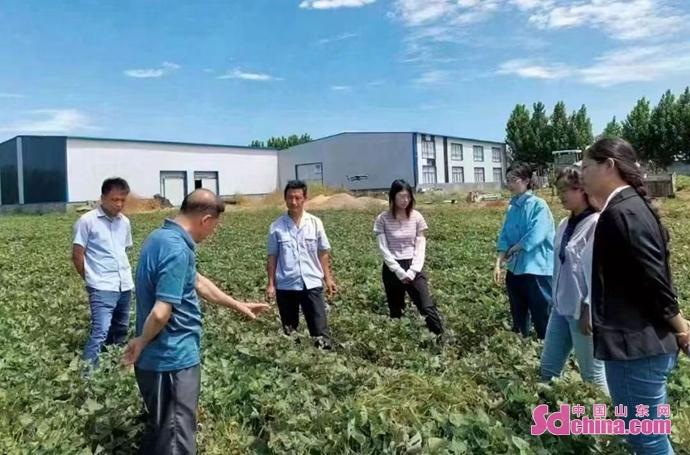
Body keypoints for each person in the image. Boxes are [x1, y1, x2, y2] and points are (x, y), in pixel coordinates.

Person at [121, 189, 269, 455]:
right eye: (214, 226)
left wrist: (237, 304)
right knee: (177, 439)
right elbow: (160, 312)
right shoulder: (178, 250)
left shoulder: (159, 237)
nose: (212, 233)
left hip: (159, 363)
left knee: (162, 432)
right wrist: (141, 342)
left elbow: (197, 281)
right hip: (172, 361)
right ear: (206, 219)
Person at [582, 137, 690, 455]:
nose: (582, 174)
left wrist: (681, 327)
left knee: (647, 439)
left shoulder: (622, 213)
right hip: (640, 344)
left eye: (586, 167)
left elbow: (653, 280)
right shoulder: (628, 208)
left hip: (636, 348)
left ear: (608, 166)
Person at [540, 167, 607, 391]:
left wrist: (589, 307)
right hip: (561, 308)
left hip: (583, 311)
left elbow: (601, 269)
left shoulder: (597, 224)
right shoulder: (563, 224)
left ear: (582, 190)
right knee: (548, 368)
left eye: (565, 189)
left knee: (593, 376)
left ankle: (608, 421)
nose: (560, 195)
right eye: (557, 190)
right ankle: (544, 416)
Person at [266, 180, 337, 349]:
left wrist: (328, 279)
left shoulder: (315, 223)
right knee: (290, 331)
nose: (294, 202)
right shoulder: (276, 227)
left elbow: (323, 253)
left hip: (312, 282)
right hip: (286, 284)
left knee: (320, 329)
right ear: (285, 199)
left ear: (305, 198)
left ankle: (324, 361)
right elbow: (272, 257)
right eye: (290, 197)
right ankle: (294, 363)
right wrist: (271, 284)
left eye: (298, 197)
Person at [73, 177, 134, 368]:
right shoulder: (87, 221)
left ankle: (113, 367)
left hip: (124, 284)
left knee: (121, 330)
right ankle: (87, 375)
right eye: (115, 199)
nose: (119, 204)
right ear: (102, 198)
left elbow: (124, 251)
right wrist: (91, 279)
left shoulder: (124, 222)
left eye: (123, 200)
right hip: (101, 286)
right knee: (101, 330)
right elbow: (77, 255)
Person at [374, 179, 445, 335]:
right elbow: (383, 248)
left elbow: (420, 246)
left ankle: (441, 339)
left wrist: (413, 270)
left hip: (414, 266)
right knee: (396, 310)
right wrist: (398, 271)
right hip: (392, 269)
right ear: (392, 197)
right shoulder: (383, 219)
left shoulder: (417, 217)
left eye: (408, 196)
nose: (405, 200)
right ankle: (400, 346)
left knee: (426, 306)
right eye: (401, 196)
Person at [494, 162, 555, 339]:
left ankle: (546, 352)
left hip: (537, 270)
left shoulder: (539, 205)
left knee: (542, 315)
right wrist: (499, 262)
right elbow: (505, 235)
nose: (510, 184)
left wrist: (514, 249)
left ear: (527, 180)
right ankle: (522, 346)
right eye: (508, 180)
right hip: (515, 269)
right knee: (518, 315)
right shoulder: (512, 208)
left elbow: (537, 234)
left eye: (514, 179)